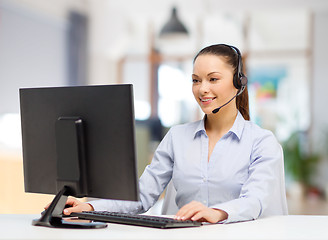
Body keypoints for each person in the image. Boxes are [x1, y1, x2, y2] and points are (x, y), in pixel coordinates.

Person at [55, 44, 288, 223]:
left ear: (238, 83)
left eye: (213, 79)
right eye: (196, 80)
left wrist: (217, 212)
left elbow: (255, 200)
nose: (202, 88)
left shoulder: (261, 142)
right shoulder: (177, 137)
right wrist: (91, 207)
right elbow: (144, 194)